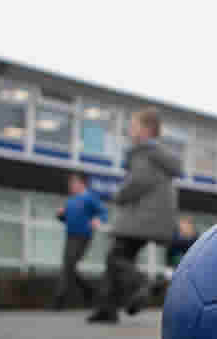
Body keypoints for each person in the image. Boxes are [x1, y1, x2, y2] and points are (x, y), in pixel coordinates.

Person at [87, 107, 182, 324]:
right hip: (154, 218)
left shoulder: (145, 152)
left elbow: (138, 181)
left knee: (116, 257)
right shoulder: (158, 155)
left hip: (141, 216)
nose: (130, 131)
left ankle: (140, 284)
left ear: (146, 129)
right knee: (119, 257)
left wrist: (118, 195)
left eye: (133, 126)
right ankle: (107, 308)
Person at [53, 172, 107, 310]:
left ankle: (58, 301)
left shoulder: (90, 198)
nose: (71, 186)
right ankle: (89, 291)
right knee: (68, 266)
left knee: (68, 265)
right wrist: (60, 215)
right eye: (70, 184)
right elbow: (66, 219)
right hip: (70, 236)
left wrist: (98, 219)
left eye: (74, 183)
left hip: (83, 236)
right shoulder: (70, 201)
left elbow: (103, 212)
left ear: (82, 184)